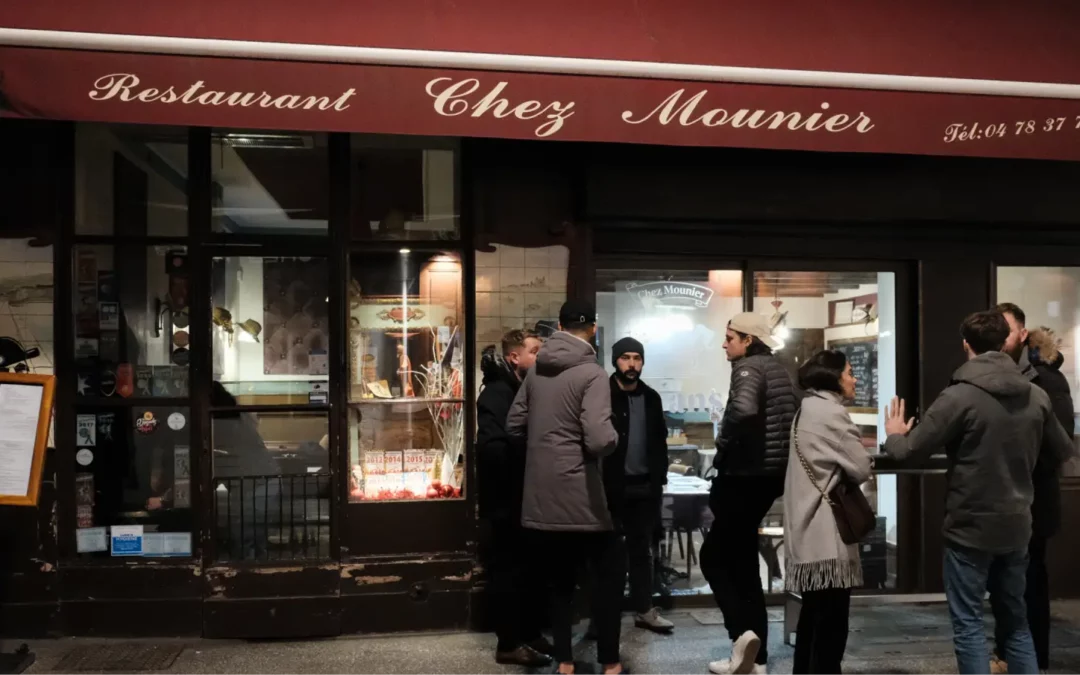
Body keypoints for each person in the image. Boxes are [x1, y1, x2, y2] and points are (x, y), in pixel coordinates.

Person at [884, 310, 1075, 675]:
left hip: (970, 525)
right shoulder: (1035, 395)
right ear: (1006, 342)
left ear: (966, 345)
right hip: (1019, 523)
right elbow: (1063, 451)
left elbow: (909, 451)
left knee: (969, 624)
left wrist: (895, 431)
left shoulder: (959, 396)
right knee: (1016, 624)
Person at [507, 300, 627, 675]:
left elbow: (514, 424)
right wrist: (614, 439)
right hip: (583, 499)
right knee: (608, 581)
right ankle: (609, 663)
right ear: (592, 329)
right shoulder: (592, 373)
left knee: (560, 584)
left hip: (542, 499)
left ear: (559, 326)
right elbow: (597, 439)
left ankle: (564, 662)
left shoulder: (536, 372)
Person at [701, 312, 798, 675]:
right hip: (768, 476)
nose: (725, 343)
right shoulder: (778, 369)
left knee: (712, 558)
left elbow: (742, 410)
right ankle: (754, 657)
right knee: (742, 563)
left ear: (747, 340)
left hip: (743, 475)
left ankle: (742, 635)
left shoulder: (747, 368)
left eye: (730, 337)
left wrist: (723, 441)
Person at [991, 304, 1075, 675]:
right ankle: (1007, 653)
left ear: (1023, 335)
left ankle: (1032, 659)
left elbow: (1059, 444)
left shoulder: (1047, 380)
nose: (1000, 338)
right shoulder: (992, 374)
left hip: (1033, 498)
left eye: (1006, 330)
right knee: (1004, 583)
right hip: (1002, 498)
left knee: (1029, 582)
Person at [784, 350, 873, 675]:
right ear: (834, 378)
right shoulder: (830, 415)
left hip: (807, 535)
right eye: (850, 372)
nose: (854, 378)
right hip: (826, 537)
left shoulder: (807, 408)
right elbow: (861, 467)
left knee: (812, 620)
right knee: (831, 626)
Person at [475, 329, 552, 667]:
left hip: (527, 498)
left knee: (531, 571)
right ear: (514, 357)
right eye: (534, 351)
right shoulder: (496, 394)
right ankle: (508, 643)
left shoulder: (526, 390)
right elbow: (491, 450)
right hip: (506, 503)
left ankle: (529, 633)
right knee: (507, 573)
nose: (540, 356)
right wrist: (531, 448)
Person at [606, 337, 673, 634]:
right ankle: (603, 615)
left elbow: (660, 442)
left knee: (642, 552)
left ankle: (644, 609)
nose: (632, 364)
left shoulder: (652, 397)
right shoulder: (601, 394)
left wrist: (659, 478)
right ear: (615, 361)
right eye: (625, 358)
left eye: (637, 358)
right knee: (608, 554)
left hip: (645, 487)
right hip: (610, 487)